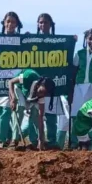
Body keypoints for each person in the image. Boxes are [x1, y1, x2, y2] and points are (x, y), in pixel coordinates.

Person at [0, 12, 24, 147]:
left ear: (17, 24)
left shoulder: (21, 40)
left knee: (7, 111)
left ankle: (3, 140)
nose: (10, 24)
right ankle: (8, 136)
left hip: (13, 79)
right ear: (4, 23)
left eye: (13, 22)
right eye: (8, 21)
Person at [7, 69, 55, 150]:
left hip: (29, 96)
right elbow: (10, 82)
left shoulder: (41, 95)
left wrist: (41, 140)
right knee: (20, 110)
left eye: (44, 94)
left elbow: (40, 119)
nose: (41, 94)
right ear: (39, 84)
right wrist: (13, 98)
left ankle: (36, 141)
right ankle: (14, 140)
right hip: (18, 89)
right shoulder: (28, 76)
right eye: (41, 91)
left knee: (35, 115)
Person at [34, 13, 62, 147]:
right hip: (36, 85)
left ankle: (51, 141)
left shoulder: (57, 42)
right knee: (34, 116)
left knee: (51, 116)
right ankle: (35, 141)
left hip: (51, 84)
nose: (43, 25)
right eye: (40, 22)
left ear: (51, 24)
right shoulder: (32, 40)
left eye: (45, 22)